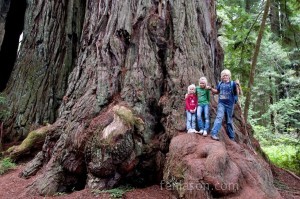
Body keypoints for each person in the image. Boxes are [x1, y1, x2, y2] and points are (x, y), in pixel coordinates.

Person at [209, 69, 240, 141]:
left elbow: (237, 94)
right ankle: (213, 133)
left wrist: (237, 86)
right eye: (223, 76)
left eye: (226, 75)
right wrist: (210, 88)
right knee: (219, 117)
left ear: (229, 76)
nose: (225, 77)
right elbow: (217, 91)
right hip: (221, 104)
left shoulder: (232, 84)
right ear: (221, 77)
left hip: (230, 105)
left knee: (229, 121)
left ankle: (231, 137)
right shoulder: (220, 84)